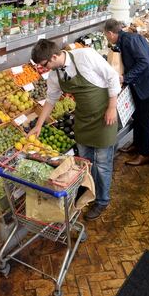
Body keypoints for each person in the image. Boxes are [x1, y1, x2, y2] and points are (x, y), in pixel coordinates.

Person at [29, 39, 121, 220]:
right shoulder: (55, 75)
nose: (44, 68)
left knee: (102, 164)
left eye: (45, 64)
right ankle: (88, 192)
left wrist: (112, 107)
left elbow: (112, 77)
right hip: (83, 121)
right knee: (84, 162)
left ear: (53, 57)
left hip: (104, 117)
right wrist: (38, 125)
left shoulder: (85, 56)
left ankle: (102, 200)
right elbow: (50, 100)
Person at [103, 20, 149, 166]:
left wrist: (125, 78)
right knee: (138, 116)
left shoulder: (130, 40)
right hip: (142, 83)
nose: (107, 38)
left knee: (146, 120)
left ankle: (145, 154)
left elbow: (143, 62)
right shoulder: (125, 40)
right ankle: (137, 145)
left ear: (110, 33)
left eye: (106, 35)